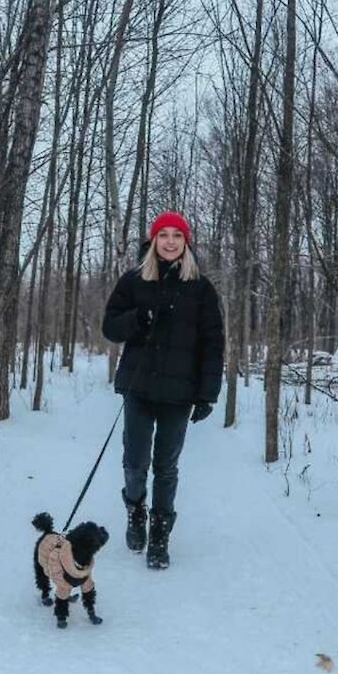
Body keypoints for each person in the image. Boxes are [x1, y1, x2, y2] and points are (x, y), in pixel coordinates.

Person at [101, 210, 225, 569]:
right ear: (153, 240)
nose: (170, 241)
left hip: (179, 394)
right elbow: (110, 326)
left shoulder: (201, 288)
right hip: (139, 387)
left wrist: (208, 393)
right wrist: (137, 320)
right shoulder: (134, 281)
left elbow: (213, 344)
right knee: (135, 462)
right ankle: (135, 510)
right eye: (164, 235)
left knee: (166, 467)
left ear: (185, 242)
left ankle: (159, 535)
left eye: (177, 235)